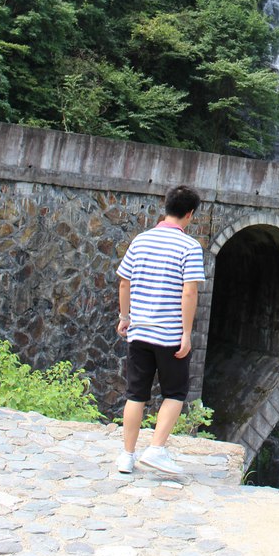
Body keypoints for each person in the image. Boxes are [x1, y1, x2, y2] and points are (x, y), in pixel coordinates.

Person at [115, 184, 205, 476]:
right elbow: (189, 292)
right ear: (190, 214)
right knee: (175, 393)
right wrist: (186, 334)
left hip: (139, 332)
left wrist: (125, 317)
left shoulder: (140, 241)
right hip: (169, 336)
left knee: (136, 394)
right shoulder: (189, 247)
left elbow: (124, 282)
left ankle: (127, 456)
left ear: (166, 208)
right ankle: (155, 449)